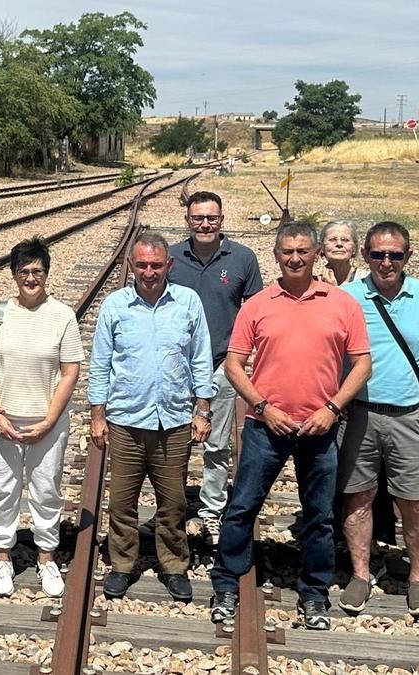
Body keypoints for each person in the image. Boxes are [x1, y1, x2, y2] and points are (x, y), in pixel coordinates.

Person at [209, 222, 372, 630]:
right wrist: (263, 406)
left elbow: (362, 363)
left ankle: (315, 593)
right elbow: (234, 364)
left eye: (303, 251)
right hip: (266, 427)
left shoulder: (341, 302)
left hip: (319, 428)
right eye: (287, 252)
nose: (295, 258)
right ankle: (227, 582)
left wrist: (332, 409)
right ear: (276, 255)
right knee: (242, 506)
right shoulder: (259, 303)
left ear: (316, 253)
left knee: (319, 515)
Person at [337, 221, 419, 618]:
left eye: (395, 254)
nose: (386, 262)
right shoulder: (347, 296)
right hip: (359, 414)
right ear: (366, 256)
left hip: (412, 418)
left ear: (408, 256)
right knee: (357, 498)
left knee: (415, 504)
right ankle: (361, 574)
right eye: (378, 254)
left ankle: (416, 579)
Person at [90, 233, 214, 603]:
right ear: (131, 265)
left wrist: (202, 410)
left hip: (173, 422)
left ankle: (173, 565)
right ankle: (122, 565)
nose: (148, 271)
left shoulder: (188, 302)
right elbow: (100, 364)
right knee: (121, 503)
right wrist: (98, 416)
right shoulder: (116, 305)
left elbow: (201, 359)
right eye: (141, 264)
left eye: (156, 265)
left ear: (168, 265)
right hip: (126, 420)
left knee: (173, 501)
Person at [0, 237, 82, 599]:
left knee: (46, 490)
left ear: (47, 273)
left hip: (47, 422)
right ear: (13, 274)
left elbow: (70, 371)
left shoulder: (62, 315)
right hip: (5, 419)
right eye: (23, 271)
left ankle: (46, 556)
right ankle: (3, 557)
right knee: (3, 489)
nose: (30, 278)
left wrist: (49, 420)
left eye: (37, 271)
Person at [167, 191, 264, 545]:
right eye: (198, 218)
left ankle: (210, 510)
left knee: (217, 444)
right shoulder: (172, 258)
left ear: (222, 220)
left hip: (222, 364)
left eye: (211, 218)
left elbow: (255, 312)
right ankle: (173, 507)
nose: (205, 224)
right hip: (176, 367)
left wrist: (242, 357)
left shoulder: (242, 258)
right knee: (173, 442)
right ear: (187, 220)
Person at [318, 221, 365, 286]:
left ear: (354, 248)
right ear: (321, 247)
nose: (339, 244)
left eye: (345, 240)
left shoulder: (365, 280)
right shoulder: (313, 281)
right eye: (332, 239)